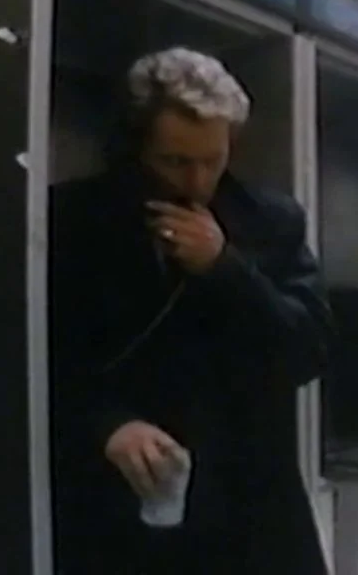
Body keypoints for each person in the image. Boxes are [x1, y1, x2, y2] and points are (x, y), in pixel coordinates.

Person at [50, 47, 333, 574]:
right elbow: (36, 356)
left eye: (212, 161)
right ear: (136, 146)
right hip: (118, 508)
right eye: (175, 162)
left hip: (248, 504)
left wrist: (225, 268)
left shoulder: (269, 222)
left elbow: (307, 348)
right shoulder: (70, 220)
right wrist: (106, 425)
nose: (198, 182)